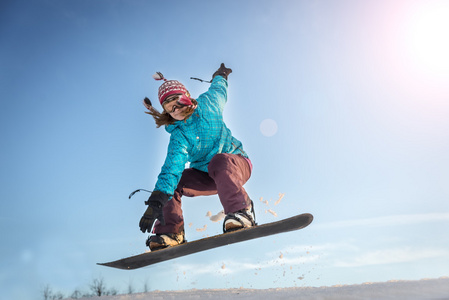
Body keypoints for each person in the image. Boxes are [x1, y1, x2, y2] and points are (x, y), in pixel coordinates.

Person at [139, 63, 256, 251]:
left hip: (236, 163)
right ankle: (171, 232)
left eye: (177, 102)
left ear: (186, 95)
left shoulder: (209, 104)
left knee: (219, 161)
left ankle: (242, 211)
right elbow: (171, 168)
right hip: (208, 176)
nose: (176, 110)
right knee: (174, 182)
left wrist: (221, 75)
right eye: (170, 109)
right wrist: (157, 199)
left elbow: (218, 89)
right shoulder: (179, 136)